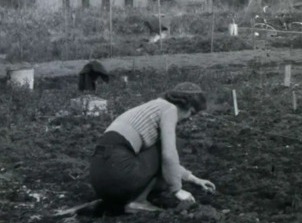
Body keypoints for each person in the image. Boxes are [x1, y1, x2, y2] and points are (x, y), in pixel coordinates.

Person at [88, 83, 214, 213]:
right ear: (184, 105)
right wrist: (177, 189)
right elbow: (168, 156)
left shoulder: (154, 107)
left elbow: (156, 160)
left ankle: (127, 199)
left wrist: (194, 179)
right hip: (118, 173)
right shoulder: (169, 109)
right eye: (191, 113)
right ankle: (138, 201)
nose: (189, 119)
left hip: (100, 180)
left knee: (163, 160)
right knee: (175, 145)